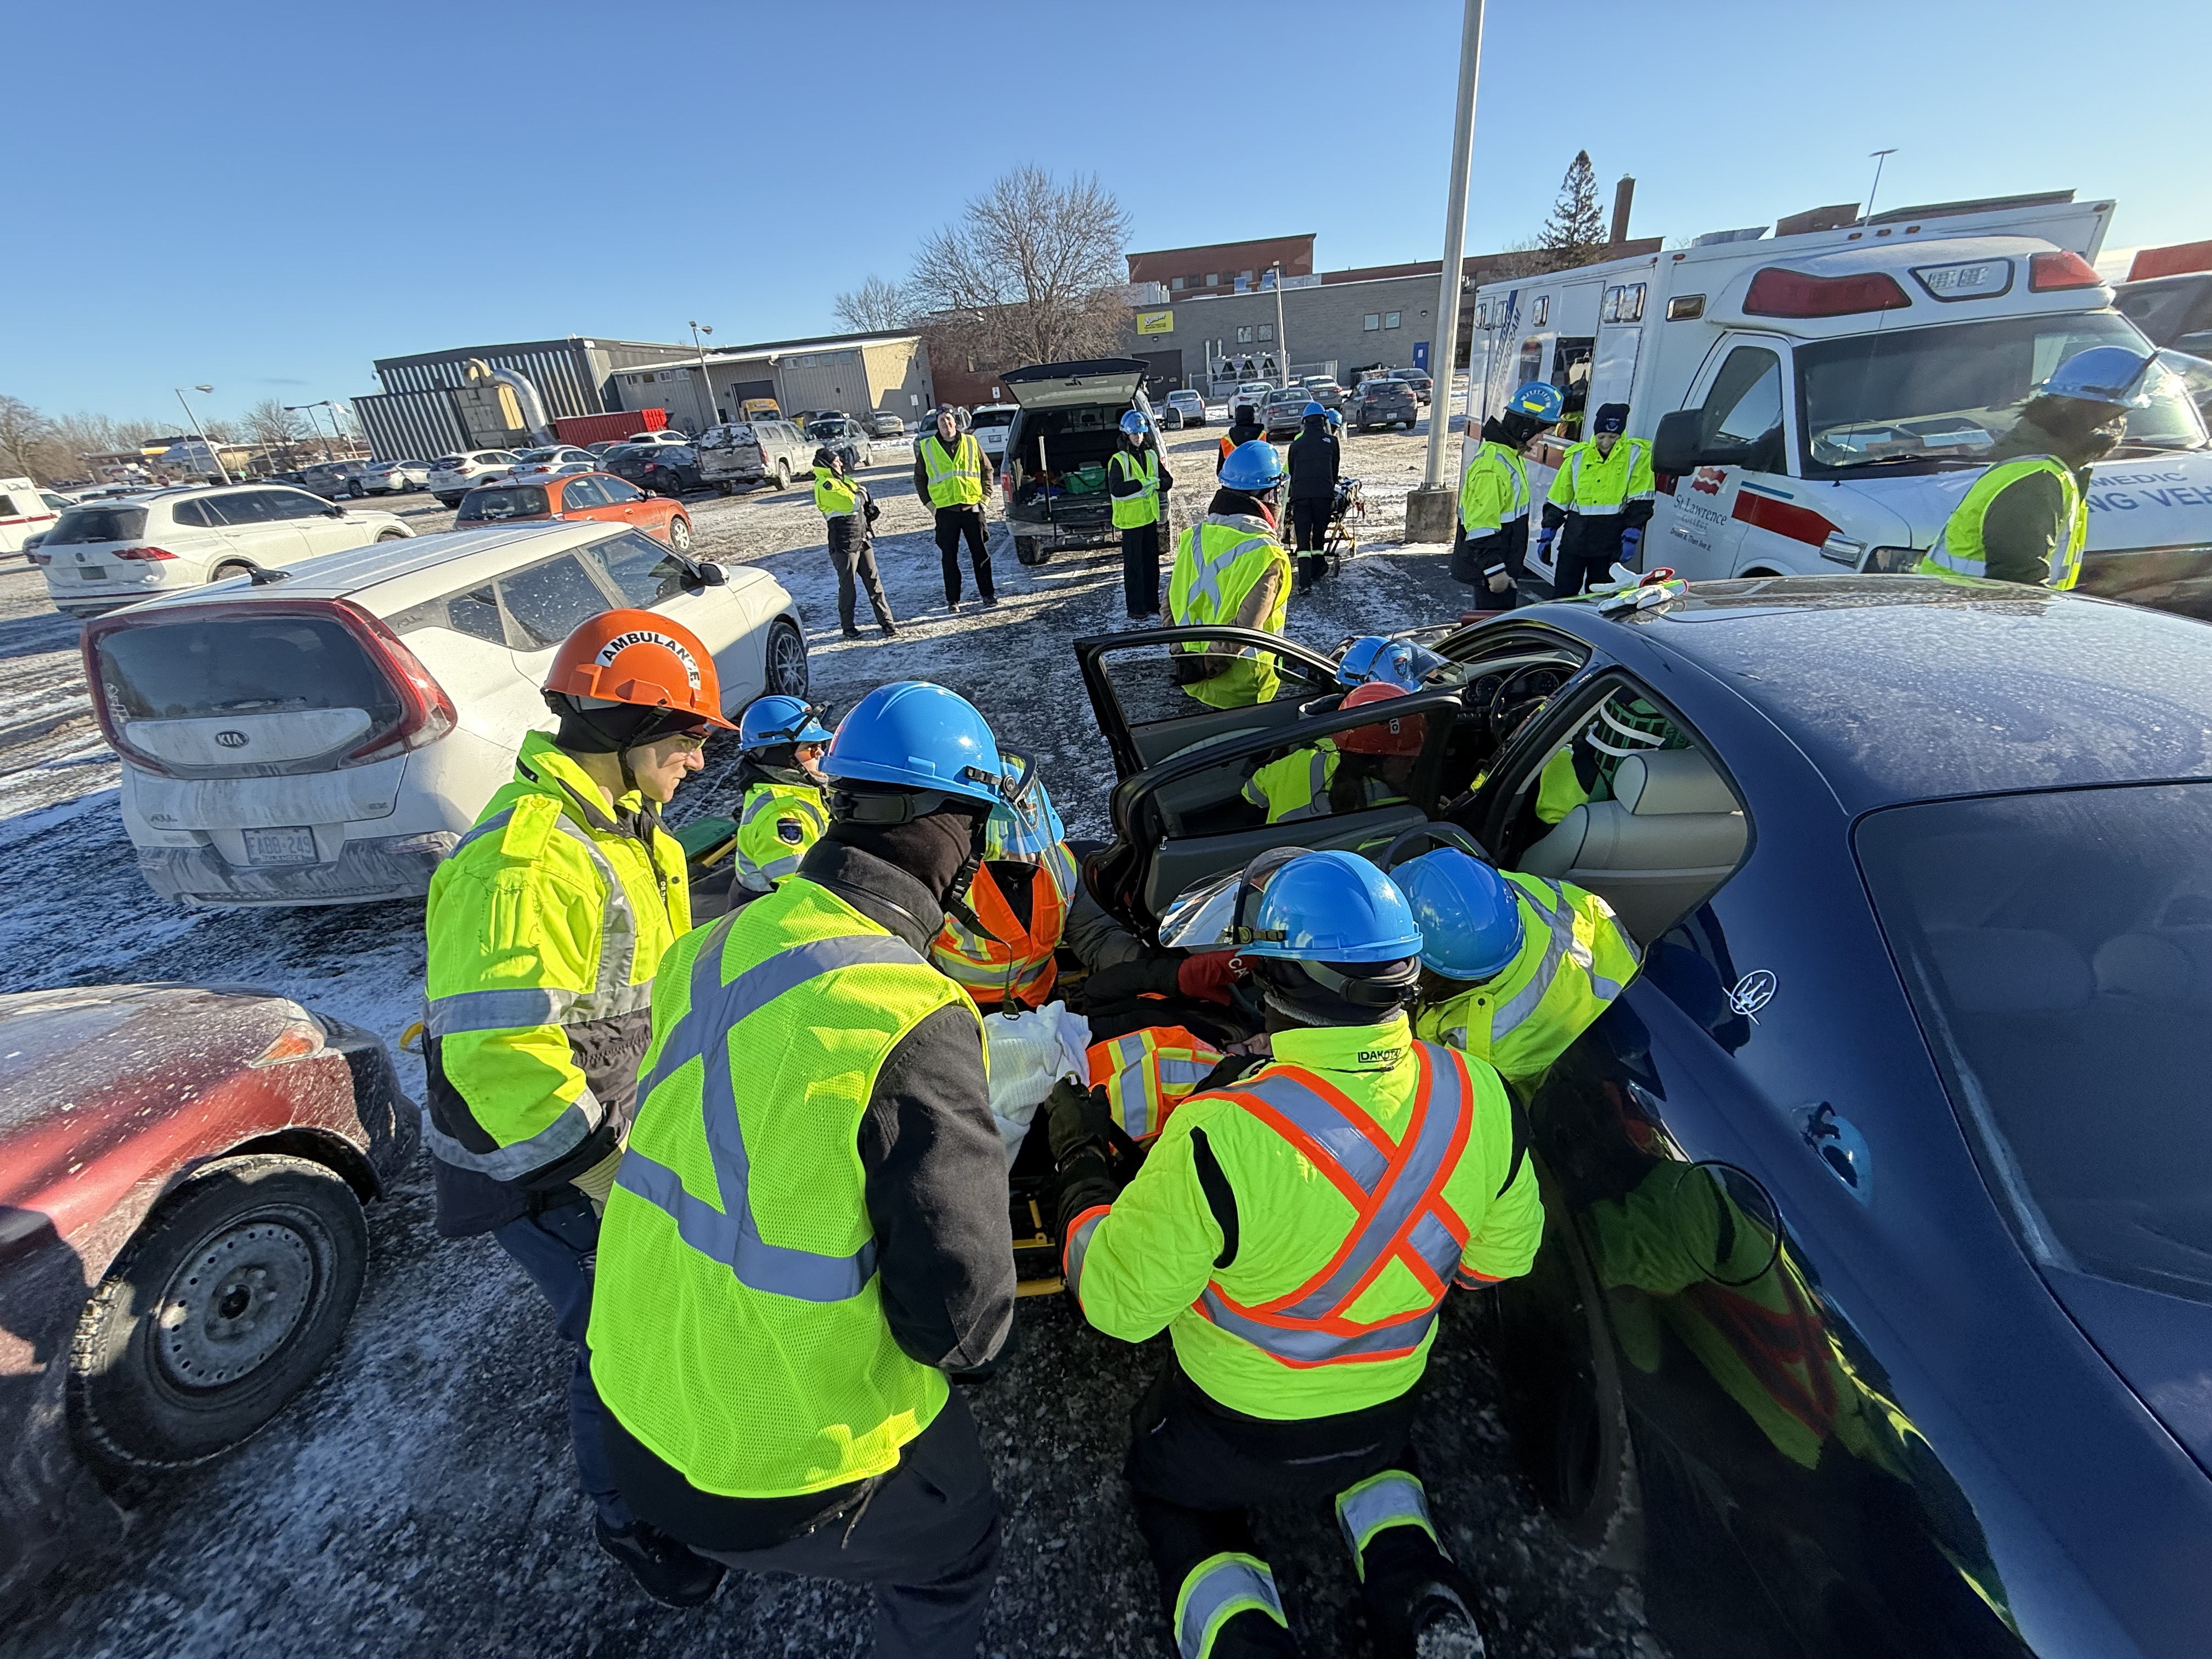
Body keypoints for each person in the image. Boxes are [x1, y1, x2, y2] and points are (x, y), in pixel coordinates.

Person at [586, 679, 1019, 1653]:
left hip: (635, 1407)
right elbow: (963, 1325)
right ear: (958, 830)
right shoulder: (907, 1009)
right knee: (959, 1543)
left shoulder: (709, 946)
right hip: (776, 1464)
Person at [1045, 849, 1539, 1658]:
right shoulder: (1482, 1095)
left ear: (1272, 984)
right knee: (1377, 1468)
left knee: (1178, 1500)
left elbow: (1118, 1308)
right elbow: (1496, 1265)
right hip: (1384, 1411)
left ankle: (1247, 1637)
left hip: (1231, 1429)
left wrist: (1081, 1173)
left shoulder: (1223, 1134)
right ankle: (1420, 1590)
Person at [421, 611, 733, 1607]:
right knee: (619, 1330)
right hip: (540, 1159)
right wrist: (604, 1176)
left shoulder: (633, 833)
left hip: (611, 1122)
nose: (694, 760)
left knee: (647, 1312)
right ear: (623, 724)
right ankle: (631, 1517)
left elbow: (647, 983)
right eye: (684, 738)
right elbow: (500, 1055)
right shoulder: (526, 859)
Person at [1392, 845, 1640, 1090]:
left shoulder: (1486, 1046)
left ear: (1428, 970)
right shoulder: (1494, 895)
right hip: (1630, 978)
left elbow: (1447, 1097)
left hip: (1584, 1064)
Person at [1918, 345, 2152, 589]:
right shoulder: (2037, 481)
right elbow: (2017, 584)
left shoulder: (2047, 466)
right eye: (2118, 415)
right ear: (2094, 417)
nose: (2120, 426)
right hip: (1970, 615)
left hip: (1961, 610)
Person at [930, 766, 1080, 1013]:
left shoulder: (1061, 861)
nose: (1030, 855)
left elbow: (1094, 932)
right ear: (982, 840)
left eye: (1035, 843)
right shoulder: (944, 880)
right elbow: (913, 961)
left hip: (1045, 1002)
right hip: (973, 1014)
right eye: (1013, 848)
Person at [1169, 439, 1294, 709]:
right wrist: (1208, 666)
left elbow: (1170, 604)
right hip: (1242, 692)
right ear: (1268, 496)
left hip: (1193, 682)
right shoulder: (1265, 553)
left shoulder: (1194, 538)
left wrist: (1184, 658)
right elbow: (1246, 631)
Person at [1241, 681, 1424, 825]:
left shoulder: (1305, 757)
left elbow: (1251, 792)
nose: (1415, 760)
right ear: (1377, 761)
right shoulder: (1400, 810)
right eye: (1406, 756)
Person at [1453, 381, 1563, 607]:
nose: (1541, 438)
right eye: (1542, 431)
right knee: (1491, 630)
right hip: (1493, 573)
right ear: (1527, 426)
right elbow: (1481, 525)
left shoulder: (1509, 455)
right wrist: (1495, 572)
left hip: (1503, 567)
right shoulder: (1493, 467)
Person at [1539, 402, 1655, 598]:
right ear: (1595, 433)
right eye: (1601, 437)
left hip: (1609, 541)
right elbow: (1560, 497)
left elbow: (1641, 500)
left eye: (1613, 437)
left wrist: (1632, 533)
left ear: (1622, 433)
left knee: (1600, 597)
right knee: (1564, 595)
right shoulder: (1578, 456)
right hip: (1575, 539)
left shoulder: (1637, 455)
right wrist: (1548, 532)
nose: (1606, 443)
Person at [729, 695, 834, 900]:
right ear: (780, 757)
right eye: (809, 748)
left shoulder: (797, 792)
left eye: (821, 744)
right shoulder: (783, 815)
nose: (820, 752)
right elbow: (800, 895)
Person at [912, 404, 997, 612]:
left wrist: (985, 499)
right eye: (942, 421)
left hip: (972, 508)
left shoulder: (971, 442)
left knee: (981, 554)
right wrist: (932, 507)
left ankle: (988, 595)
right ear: (938, 425)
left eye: (950, 420)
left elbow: (987, 470)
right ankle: (953, 600)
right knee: (949, 558)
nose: (947, 424)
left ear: (956, 422)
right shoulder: (928, 447)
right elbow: (920, 479)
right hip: (946, 512)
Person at [812, 445, 896, 639]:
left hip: (862, 538)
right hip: (843, 544)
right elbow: (852, 502)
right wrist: (861, 495)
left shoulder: (842, 480)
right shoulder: (826, 484)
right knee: (848, 586)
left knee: (874, 583)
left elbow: (861, 496)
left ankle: (888, 623)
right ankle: (848, 627)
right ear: (827, 465)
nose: (840, 462)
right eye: (836, 461)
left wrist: (866, 506)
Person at [1109, 409, 1175, 622]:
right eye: (1134, 434)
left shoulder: (1151, 455)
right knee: (1134, 567)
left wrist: (1157, 483)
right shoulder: (1119, 460)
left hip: (1149, 519)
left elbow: (1168, 481)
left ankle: (1151, 603)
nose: (1138, 437)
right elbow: (1116, 488)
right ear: (1126, 435)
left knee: (1151, 564)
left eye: (1141, 433)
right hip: (1130, 522)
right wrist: (1141, 484)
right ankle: (1136, 608)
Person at [1284, 400, 1340, 594]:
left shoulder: (1296, 445)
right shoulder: (1332, 442)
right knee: (1318, 535)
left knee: (1302, 539)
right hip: (1323, 496)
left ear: (1305, 422)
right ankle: (1318, 568)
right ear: (1324, 421)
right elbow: (1335, 470)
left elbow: (1292, 472)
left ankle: (1304, 583)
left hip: (1301, 497)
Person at [1217, 401, 1265, 470]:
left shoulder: (1227, 440)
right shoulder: (1262, 435)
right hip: (1259, 475)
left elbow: (1220, 469)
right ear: (1252, 417)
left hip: (1235, 477)